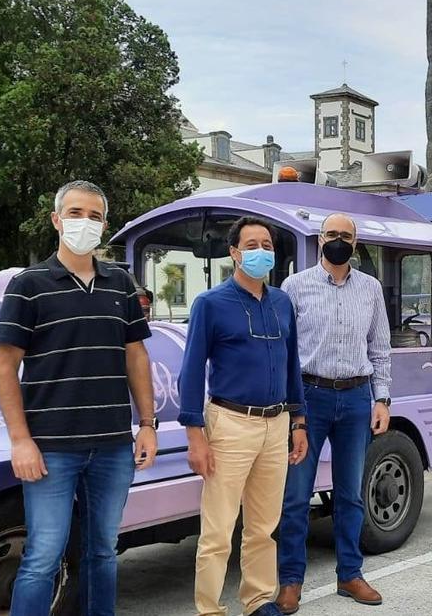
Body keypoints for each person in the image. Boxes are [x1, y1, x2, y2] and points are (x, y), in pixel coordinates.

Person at [0, 180, 158, 616]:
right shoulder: (28, 285)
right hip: (50, 448)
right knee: (43, 557)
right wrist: (20, 440)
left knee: (103, 550)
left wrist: (147, 424)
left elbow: (136, 356)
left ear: (105, 225)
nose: (84, 223)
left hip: (111, 446)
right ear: (55, 220)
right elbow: (5, 364)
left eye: (94, 216)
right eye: (75, 213)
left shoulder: (120, 284)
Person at [178, 216, 309, 616]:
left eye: (266, 244)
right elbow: (192, 369)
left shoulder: (282, 302)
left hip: (276, 425)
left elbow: (292, 365)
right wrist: (195, 435)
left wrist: (298, 421)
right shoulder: (210, 304)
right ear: (234, 253)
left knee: (263, 527)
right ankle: (210, 608)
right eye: (251, 245)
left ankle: (257, 601)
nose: (260, 251)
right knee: (218, 530)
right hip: (229, 423)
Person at [276, 212, 391, 613]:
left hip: (358, 397)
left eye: (346, 235)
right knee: (295, 497)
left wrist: (382, 399)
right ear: (319, 239)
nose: (338, 240)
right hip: (310, 397)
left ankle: (350, 574)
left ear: (355, 244)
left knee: (350, 494)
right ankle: (290, 581)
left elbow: (379, 348)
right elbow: (286, 352)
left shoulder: (371, 288)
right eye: (332, 234)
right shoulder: (295, 286)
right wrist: (292, 409)